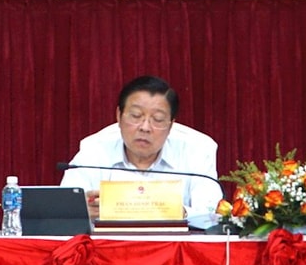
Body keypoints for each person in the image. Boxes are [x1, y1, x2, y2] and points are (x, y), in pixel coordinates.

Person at [62, 75, 222, 228]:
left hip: (174, 245)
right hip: (107, 245)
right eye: (136, 116)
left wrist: (180, 212)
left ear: (171, 125)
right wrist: (81, 212)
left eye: (158, 119)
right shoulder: (94, 149)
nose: (145, 127)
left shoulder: (197, 150)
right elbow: (63, 213)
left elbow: (212, 215)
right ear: (119, 116)